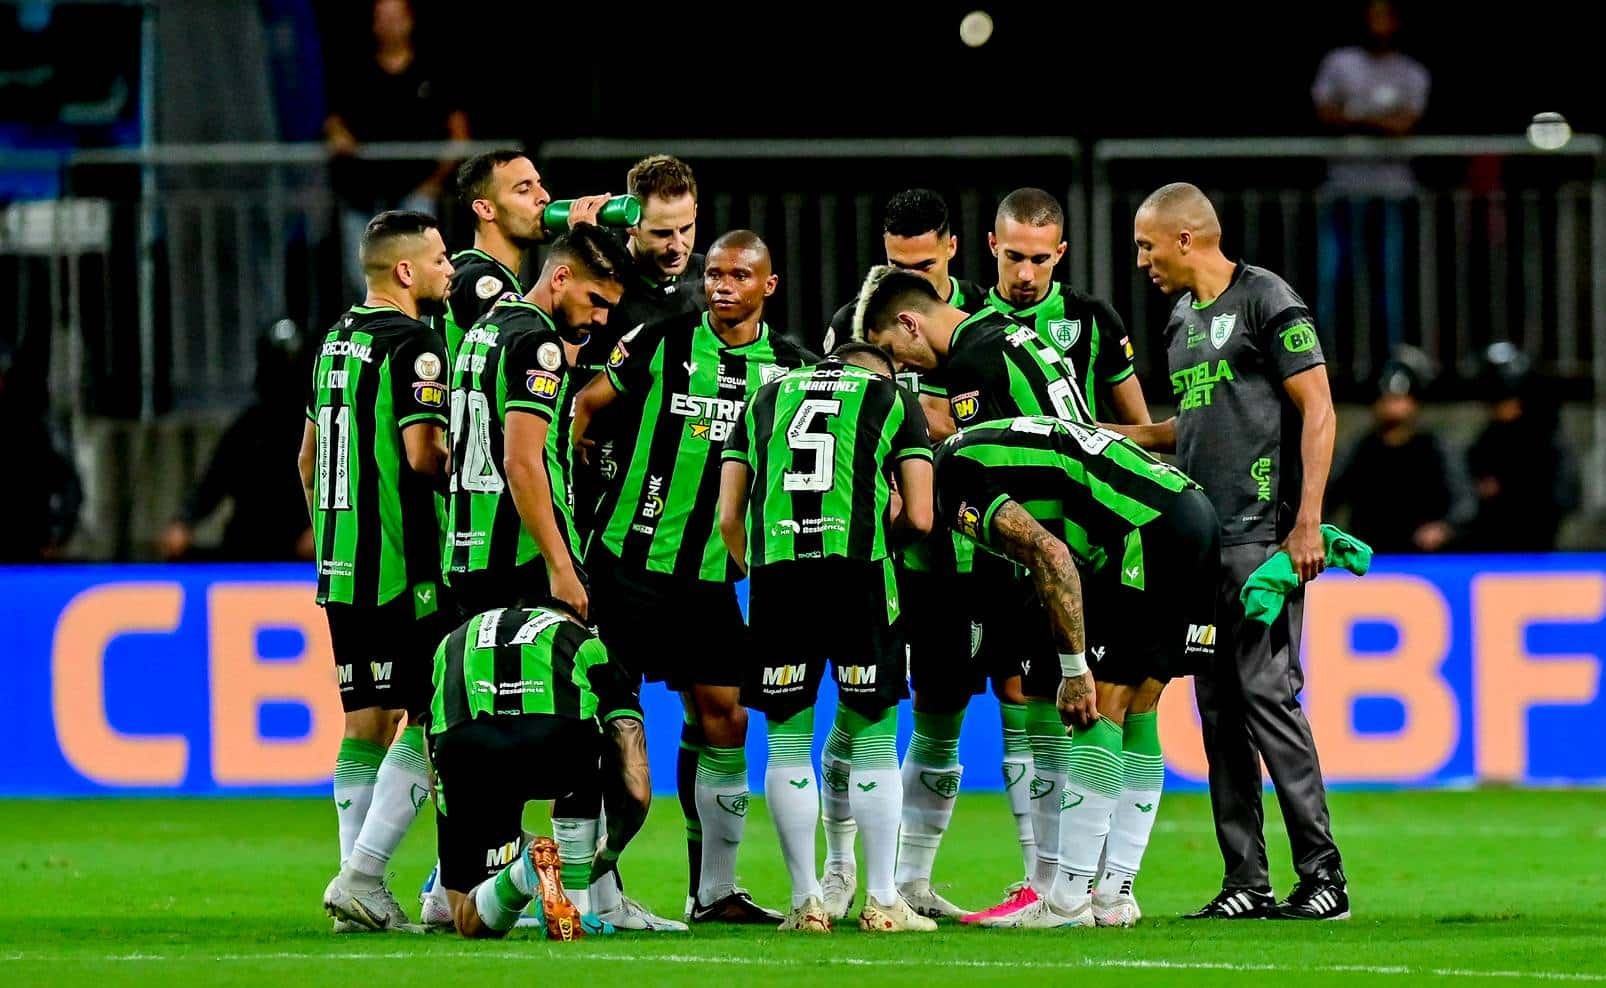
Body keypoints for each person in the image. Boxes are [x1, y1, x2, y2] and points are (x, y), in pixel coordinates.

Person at [571, 230, 813, 924]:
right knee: (606, 725)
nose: (721, 285)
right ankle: (596, 889)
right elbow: (585, 405)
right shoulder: (661, 340)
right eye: (714, 274)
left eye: (740, 275)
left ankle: (714, 890)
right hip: (627, 566)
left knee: (725, 717)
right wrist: (583, 468)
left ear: (769, 285)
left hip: (710, 579)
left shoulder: (789, 367)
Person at [1126, 182, 1348, 920]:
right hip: (1202, 543)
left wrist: (1308, 520)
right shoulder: (1181, 319)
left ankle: (1323, 877)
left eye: (1148, 245)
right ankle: (1245, 883)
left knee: (1265, 695)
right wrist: (1092, 437)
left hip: (1263, 538)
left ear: (1186, 239)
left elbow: (1316, 405)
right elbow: (1183, 429)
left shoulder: (1265, 299)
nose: (1142, 261)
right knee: (1218, 710)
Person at [932, 415, 1221, 928]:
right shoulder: (990, 441)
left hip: (1141, 534)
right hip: (1190, 511)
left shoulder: (950, 471)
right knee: (1140, 712)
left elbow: (1051, 554)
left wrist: (1073, 667)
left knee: (1097, 709)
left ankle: (1067, 900)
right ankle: (1113, 897)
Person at [717, 341, 937, 934]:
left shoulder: (764, 398)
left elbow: (727, 518)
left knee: (786, 746)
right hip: (858, 573)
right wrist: (881, 549)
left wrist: (762, 570)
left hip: (778, 578)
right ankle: (884, 900)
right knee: (871, 740)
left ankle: (806, 900)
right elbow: (921, 515)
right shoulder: (892, 396)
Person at [812, 189, 990, 920]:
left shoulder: (980, 328)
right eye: (889, 260)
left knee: (944, 713)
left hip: (961, 554)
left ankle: (914, 877)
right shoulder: (852, 324)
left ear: (951, 248)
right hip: (879, 553)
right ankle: (835, 869)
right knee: (862, 707)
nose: (896, 275)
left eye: (915, 262)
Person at [300, 210, 453, 932]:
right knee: (426, 717)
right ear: (405, 271)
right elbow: (423, 456)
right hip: (404, 568)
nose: (448, 270)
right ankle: (361, 876)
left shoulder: (333, 341)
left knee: (363, 723)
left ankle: (354, 893)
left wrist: (332, 528)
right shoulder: (413, 343)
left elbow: (305, 461)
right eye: (440, 258)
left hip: (342, 563)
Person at [419, 602, 657, 940]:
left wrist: (460, 823)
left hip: (467, 753)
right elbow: (634, 775)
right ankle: (577, 906)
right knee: (594, 739)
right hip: (556, 749)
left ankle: (522, 872)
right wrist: (610, 850)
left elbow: (431, 747)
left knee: (468, 920)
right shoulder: (585, 641)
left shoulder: (453, 639)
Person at [442, 224, 632, 619]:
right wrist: (561, 566)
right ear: (561, 277)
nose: (600, 318)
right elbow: (521, 461)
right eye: (595, 300)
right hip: (526, 560)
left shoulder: (484, 329)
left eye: (610, 308)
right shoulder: (538, 343)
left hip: (467, 554)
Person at [325, 0, 469, 300]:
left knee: (417, 274)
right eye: (382, 18)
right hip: (362, 197)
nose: (389, 24)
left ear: (410, 21)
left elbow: (459, 135)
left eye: (396, 17)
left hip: (415, 198)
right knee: (364, 278)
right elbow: (332, 121)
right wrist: (339, 136)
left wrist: (432, 184)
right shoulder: (355, 71)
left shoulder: (432, 71)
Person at [1312, 0, 1431, 359]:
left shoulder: (1412, 73)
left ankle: (1389, 367)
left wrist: (1357, 117)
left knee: (1389, 284)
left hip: (1391, 193)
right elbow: (1326, 114)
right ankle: (1320, 365)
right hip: (1342, 191)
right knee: (1330, 281)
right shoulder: (1338, 63)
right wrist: (1380, 121)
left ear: (1396, 22)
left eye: (1385, 16)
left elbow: (1405, 125)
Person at [985, 187, 1150, 425]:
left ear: (1059, 253)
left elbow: (1140, 426)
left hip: (1076, 463)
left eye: (1039, 259)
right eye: (1014, 256)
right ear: (993, 244)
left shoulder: (1092, 316)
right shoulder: (966, 318)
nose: (1025, 274)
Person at [161, 319, 314, 562]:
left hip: (300, 556)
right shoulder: (247, 430)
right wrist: (184, 522)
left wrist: (324, 533)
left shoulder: (323, 432)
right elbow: (211, 485)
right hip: (246, 548)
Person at [442, 149, 614, 362]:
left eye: (539, 184)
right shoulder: (478, 280)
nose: (544, 197)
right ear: (486, 209)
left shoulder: (479, 274)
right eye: (524, 189)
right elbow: (548, 357)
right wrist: (583, 243)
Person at [820, 189, 985, 358]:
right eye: (898, 266)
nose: (911, 279)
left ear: (951, 247)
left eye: (925, 265)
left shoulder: (984, 313)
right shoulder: (852, 321)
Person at [1328, 353, 1467, 553]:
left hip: (1424, 560)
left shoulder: (1435, 448)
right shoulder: (1360, 450)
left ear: (1415, 402)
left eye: (1400, 398)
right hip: (1370, 561)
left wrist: (1445, 529)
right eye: (1386, 398)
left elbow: (1464, 501)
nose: (1393, 405)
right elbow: (1328, 496)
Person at [1461, 342, 1579, 552]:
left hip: (1535, 545)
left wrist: (1509, 493)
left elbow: (1563, 495)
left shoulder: (1546, 435)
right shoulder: (1489, 438)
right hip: (1492, 546)